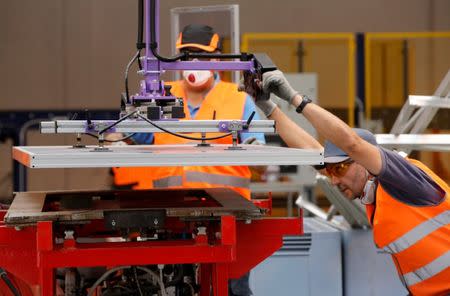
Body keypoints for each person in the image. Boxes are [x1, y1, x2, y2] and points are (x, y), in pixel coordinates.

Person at [249, 70, 450, 295]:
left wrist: (294, 97)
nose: (333, 180)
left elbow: (351, 144)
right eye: (331, 171)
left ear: (363, 161)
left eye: (340, 169)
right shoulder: (373, 190)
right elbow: (312, 150)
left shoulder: (405, 177)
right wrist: (268, 107)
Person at [112, 24, 263, 296]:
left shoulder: (239, 99)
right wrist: (123, 127)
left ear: (218, 58)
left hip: (228, 219)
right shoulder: (160, 94)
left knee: (232, 290)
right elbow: (135, 138)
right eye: (187, 54)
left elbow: (260, 154)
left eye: (202, 55)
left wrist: (253, 148)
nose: (194, 62)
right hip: (170, 218)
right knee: (171, 287)